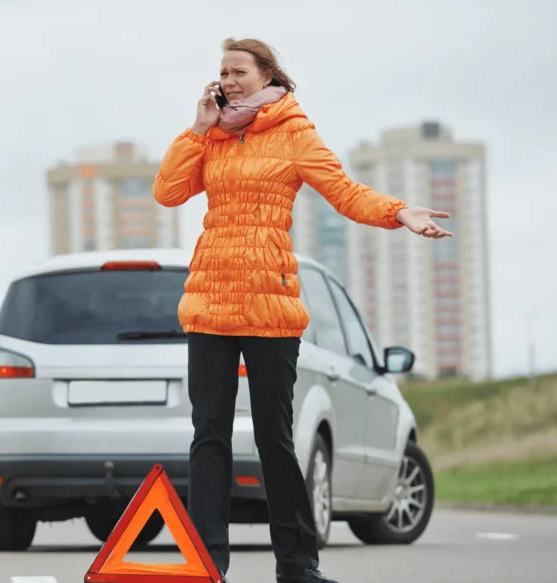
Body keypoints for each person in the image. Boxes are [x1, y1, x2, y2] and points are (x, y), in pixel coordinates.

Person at [152, 38, 452, 583]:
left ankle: (296, 566)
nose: (229, 79)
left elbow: (344, 192)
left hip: (270, 306)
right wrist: (196, 129)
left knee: (275, 437)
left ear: (267, 74)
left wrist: (400, 212)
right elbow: (168, 193)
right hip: (210, 303)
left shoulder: (294, 132)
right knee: (209, 435)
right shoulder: (213, 135)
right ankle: (206, 567)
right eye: (223, 71)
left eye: (239, 70)